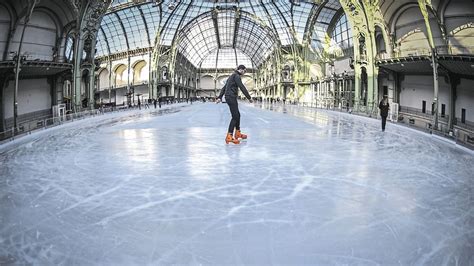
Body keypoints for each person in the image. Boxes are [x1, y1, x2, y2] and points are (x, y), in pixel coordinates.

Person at [216, 65, 253, 144]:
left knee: (238, 115)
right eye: (244, 71)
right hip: (231, 97)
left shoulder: (231, 76)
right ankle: (229, 136)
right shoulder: (236, 76)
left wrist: (219, 97)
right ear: (241, 70)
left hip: (229, 97)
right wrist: (249, 97)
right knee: (235, 116)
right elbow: (242, 87)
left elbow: (224, 88)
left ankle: (237, 132)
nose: (244, 72)